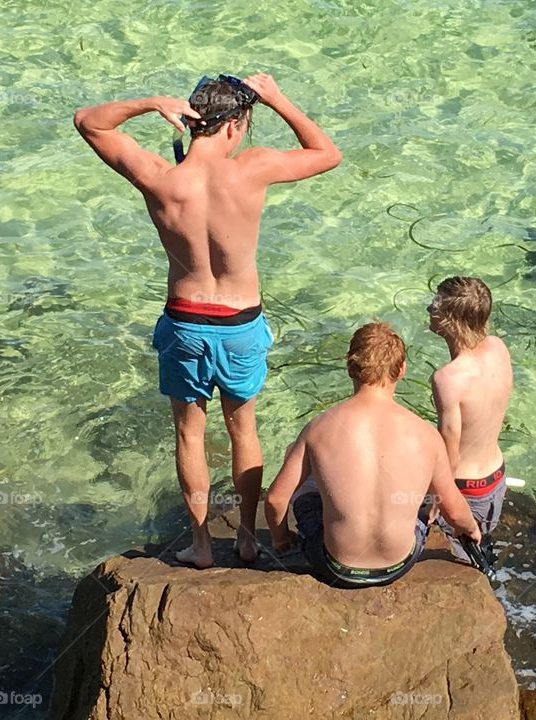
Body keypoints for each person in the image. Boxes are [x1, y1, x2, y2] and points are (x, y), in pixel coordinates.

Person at [74, 73, 341, 568]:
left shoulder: (159, 176)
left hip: (185, 323)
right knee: (243, 431)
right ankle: (243, 537)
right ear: (236, 126)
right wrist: (278, 96)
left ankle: (199, 545)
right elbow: (326, 153)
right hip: (240, 323)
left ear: (190, 120)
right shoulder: (253, 169)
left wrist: (152, 102)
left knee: (189, 435)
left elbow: (87, 122)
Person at [265, 322, 481, 588]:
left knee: (298, 462)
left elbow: (276, 499)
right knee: (426, 498)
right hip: (398, 566)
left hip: (336, 566)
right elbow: (454, 511)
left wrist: (280, 539)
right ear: (401, 370)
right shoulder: (425, 435)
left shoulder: (320, 428)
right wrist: (471, 530)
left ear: (349, 368)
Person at [427, 277, 513, 560]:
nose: (429, 307)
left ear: (452, 320)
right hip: (495, 478)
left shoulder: (447, 380)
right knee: (478, 546)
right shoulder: (499, 348)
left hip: (465, 491)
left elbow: (449, 456)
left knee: (461, 555)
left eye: (435, 305)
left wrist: (438, 501)